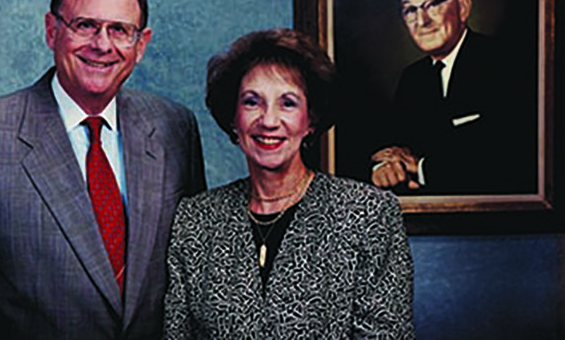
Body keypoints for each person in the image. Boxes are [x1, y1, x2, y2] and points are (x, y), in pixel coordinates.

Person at [0, 0, 206, 339]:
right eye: (85, 25)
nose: (102, 45)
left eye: (120, 30)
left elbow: (191, 282)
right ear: (51, 30)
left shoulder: (175, 128)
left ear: (140, 45)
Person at [163, 28, 414, 339]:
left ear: (310, 120)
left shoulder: (367, 214)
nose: (268, 120)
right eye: (252, 102)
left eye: (288, 103)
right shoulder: (196, 220)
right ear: (233, 118)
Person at [371, 0, 535, 195]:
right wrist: (386, 168)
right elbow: (392, 146)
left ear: (463, 8)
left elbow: (509, 158)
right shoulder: (412, 78)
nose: (422, 21)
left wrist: (420, 169)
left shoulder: (507, 64)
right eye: (410, 10)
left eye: (433, 4)